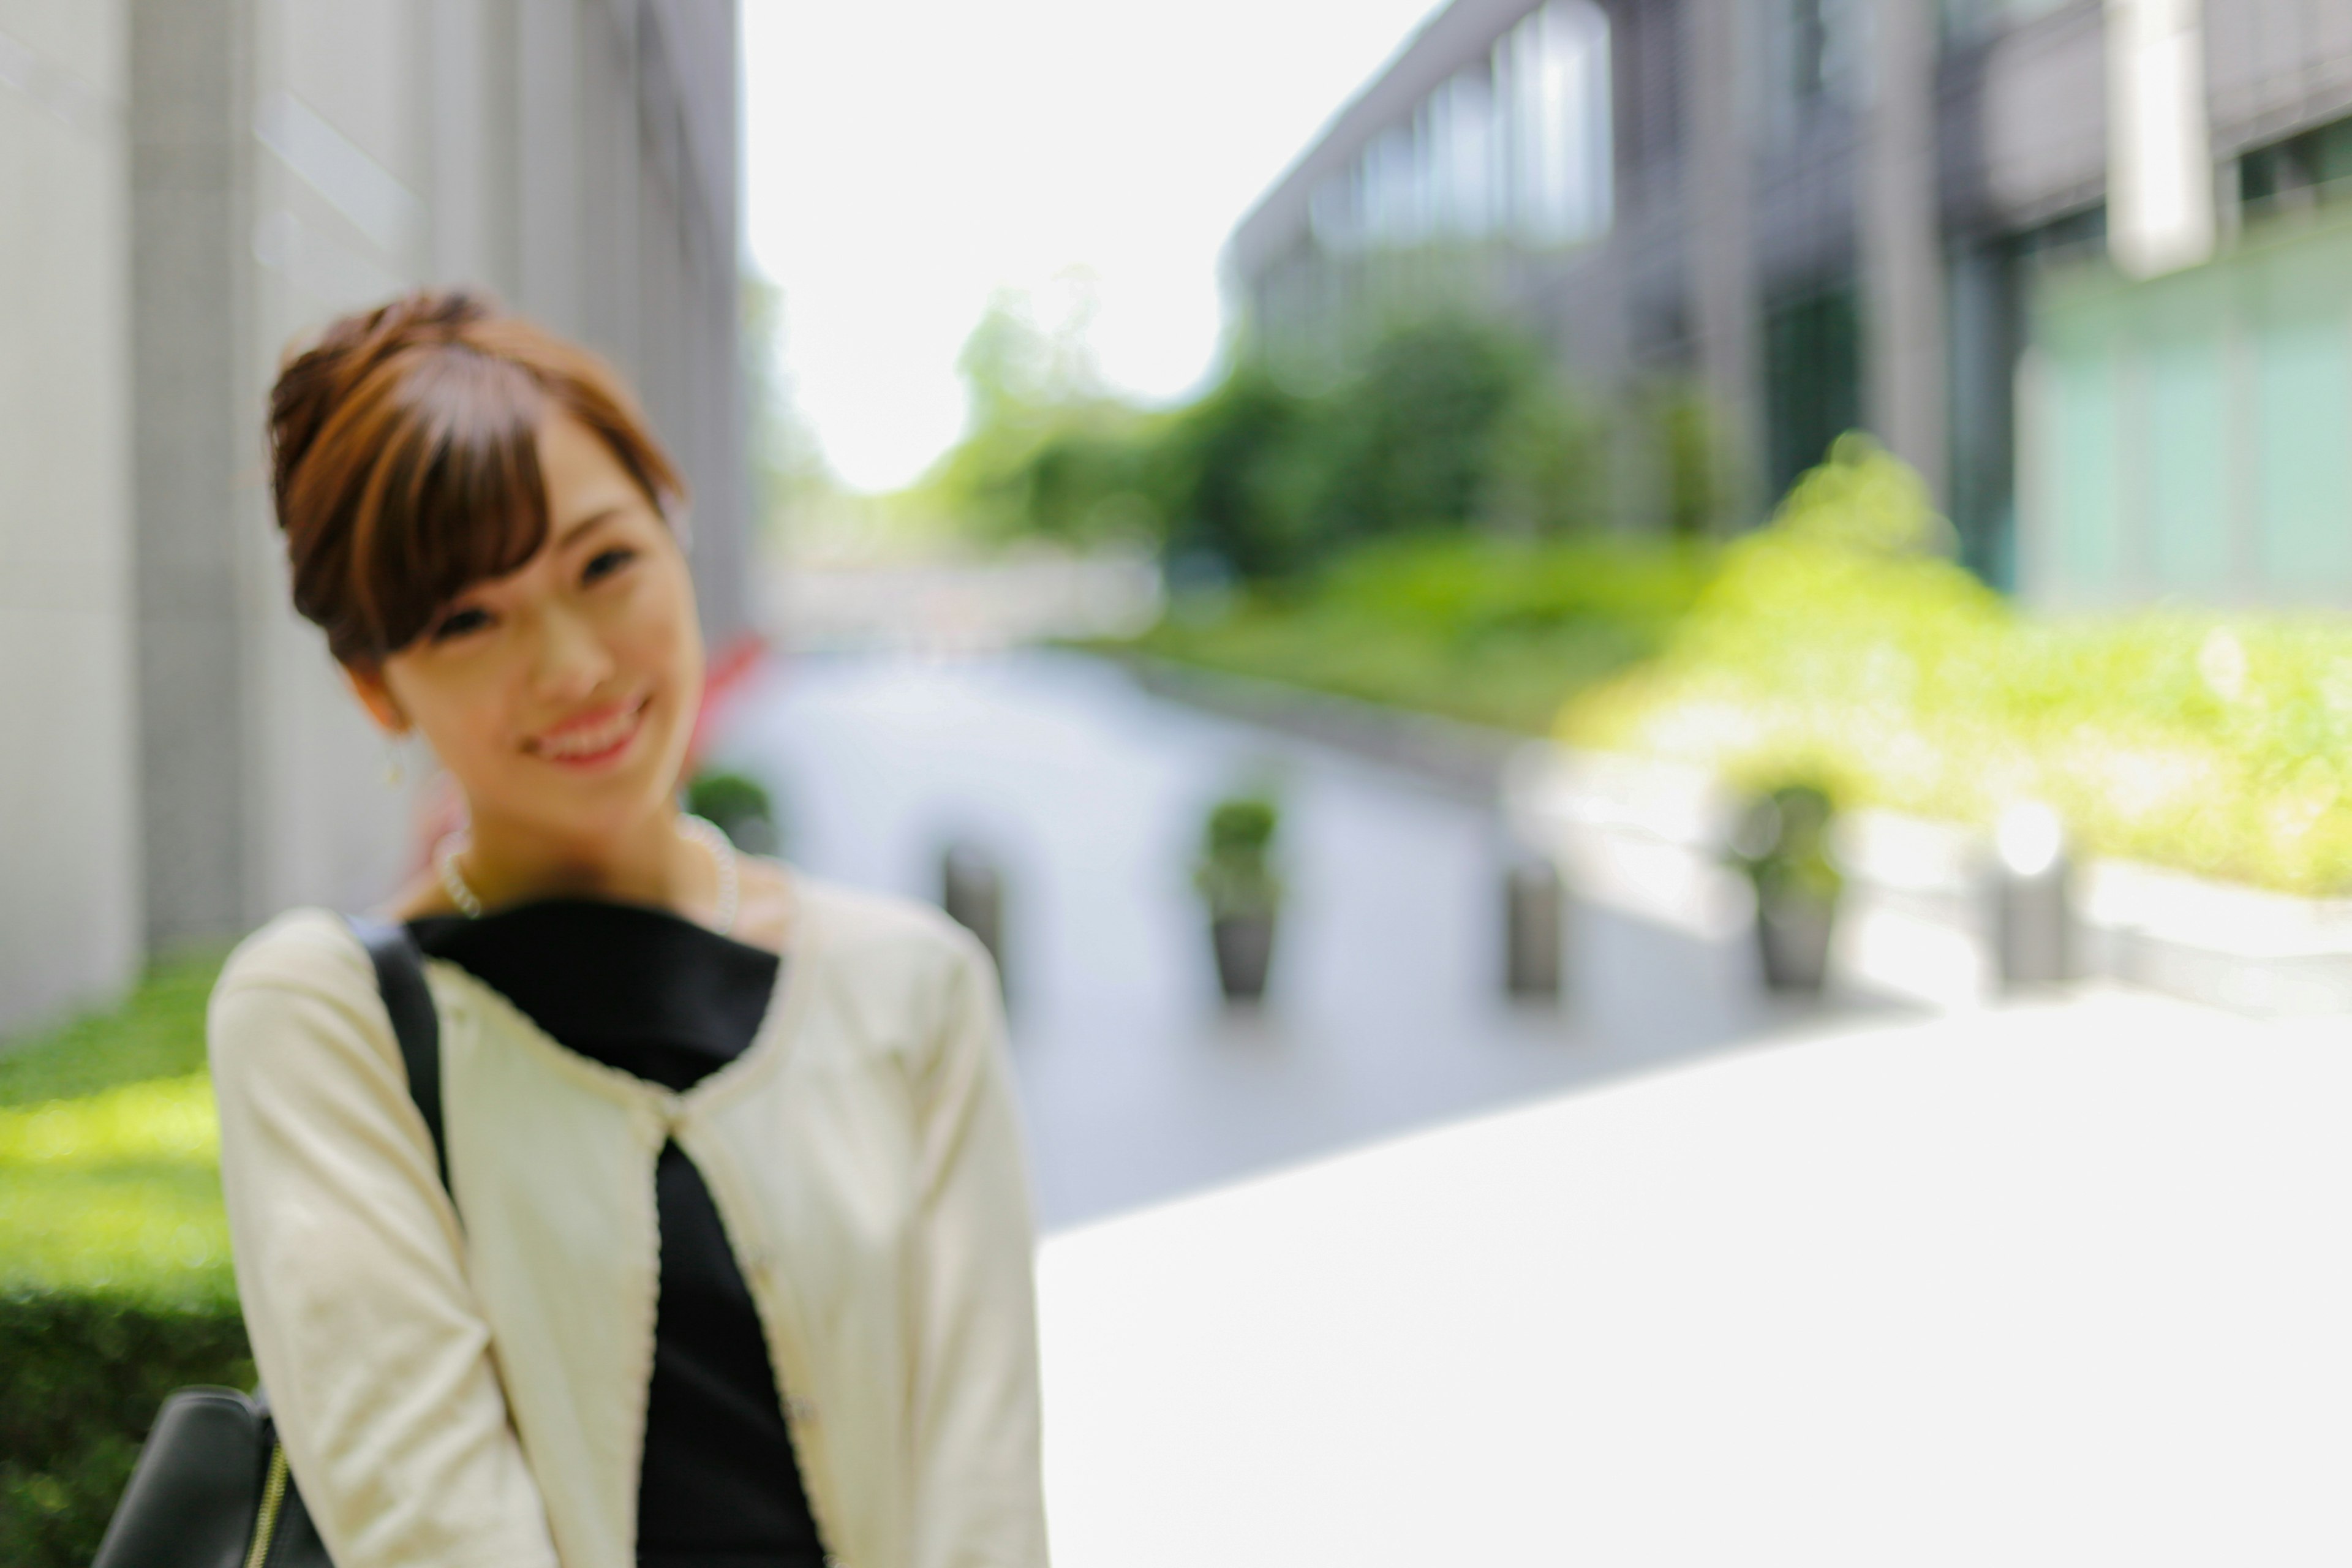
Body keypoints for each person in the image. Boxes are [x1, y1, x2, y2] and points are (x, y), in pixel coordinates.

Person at [206, 290, 1049, 1568]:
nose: (574, 666)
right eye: (466, 619)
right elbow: (430, 1524)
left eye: (605, 565)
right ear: (377, 684)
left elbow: (981, 1499)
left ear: (676, 541)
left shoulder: (912, 988)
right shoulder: (328, 1019)